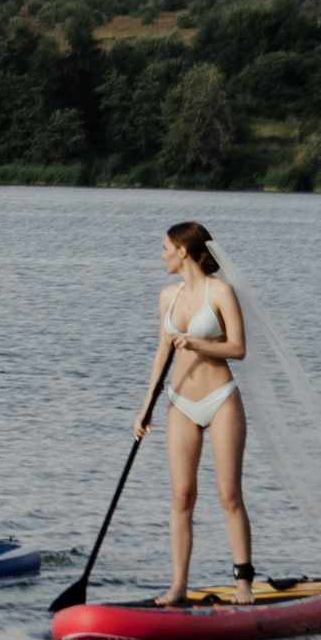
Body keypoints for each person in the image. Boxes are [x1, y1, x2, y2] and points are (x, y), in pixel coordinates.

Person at [138, 217, 254, 608]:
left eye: (165, 248)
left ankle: (243, 583)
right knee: (182, 496)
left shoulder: (220, 291)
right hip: (180, 402)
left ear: (182, 251)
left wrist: (197, 344)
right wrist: (146, 408)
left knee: (228, 495)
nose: (161, 255)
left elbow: (238, 348)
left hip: (220, 399)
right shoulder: (167, 296)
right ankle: (178, 587)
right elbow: (161, 353)